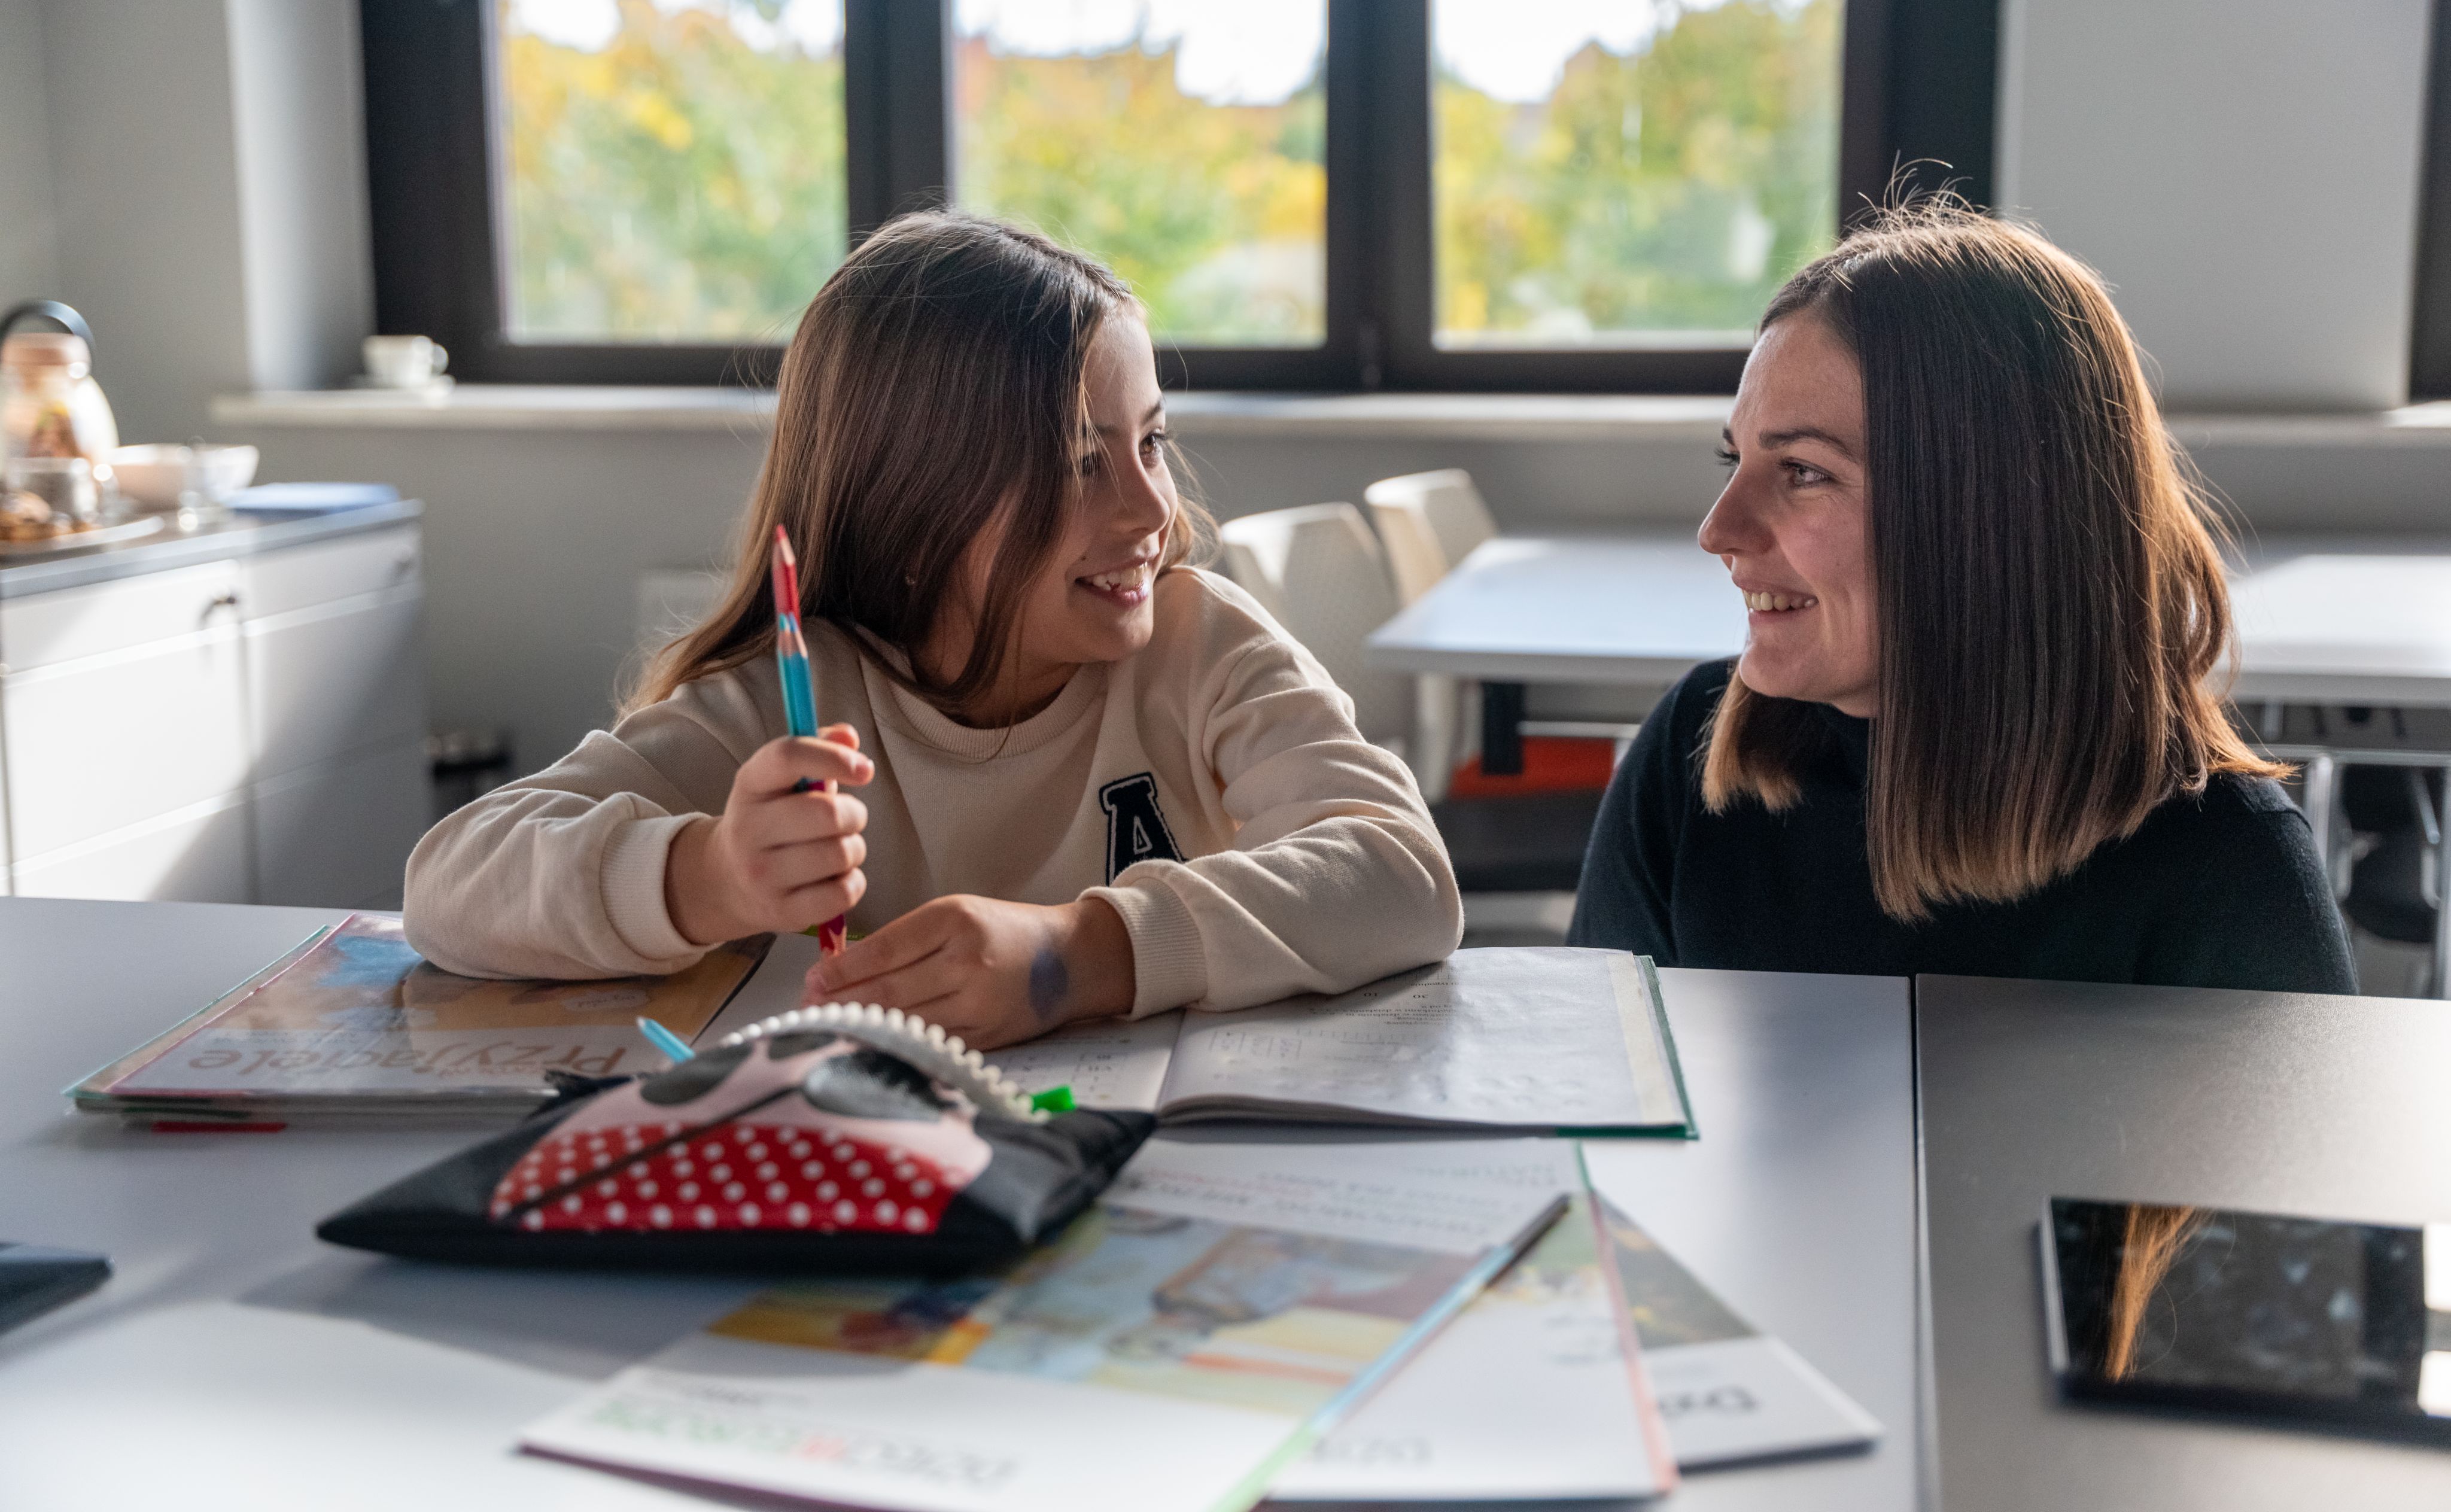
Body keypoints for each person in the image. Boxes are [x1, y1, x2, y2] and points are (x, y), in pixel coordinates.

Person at [404, 211, 1461, 1045]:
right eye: (1083, 463)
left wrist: (1072, 956)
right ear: (914, 508)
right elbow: (449, 885)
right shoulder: (790, 699)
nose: (1155, 514)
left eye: (1153, 443)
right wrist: (710, 876)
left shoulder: (1200, 645)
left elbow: (1402, 873)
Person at [1569, 202, 2355, 993]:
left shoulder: (2228, 869)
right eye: (1731, 460)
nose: (1718, 531)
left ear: (1988, 515)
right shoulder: (1695, 757)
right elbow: (1591, 1092)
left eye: (1803, 472)